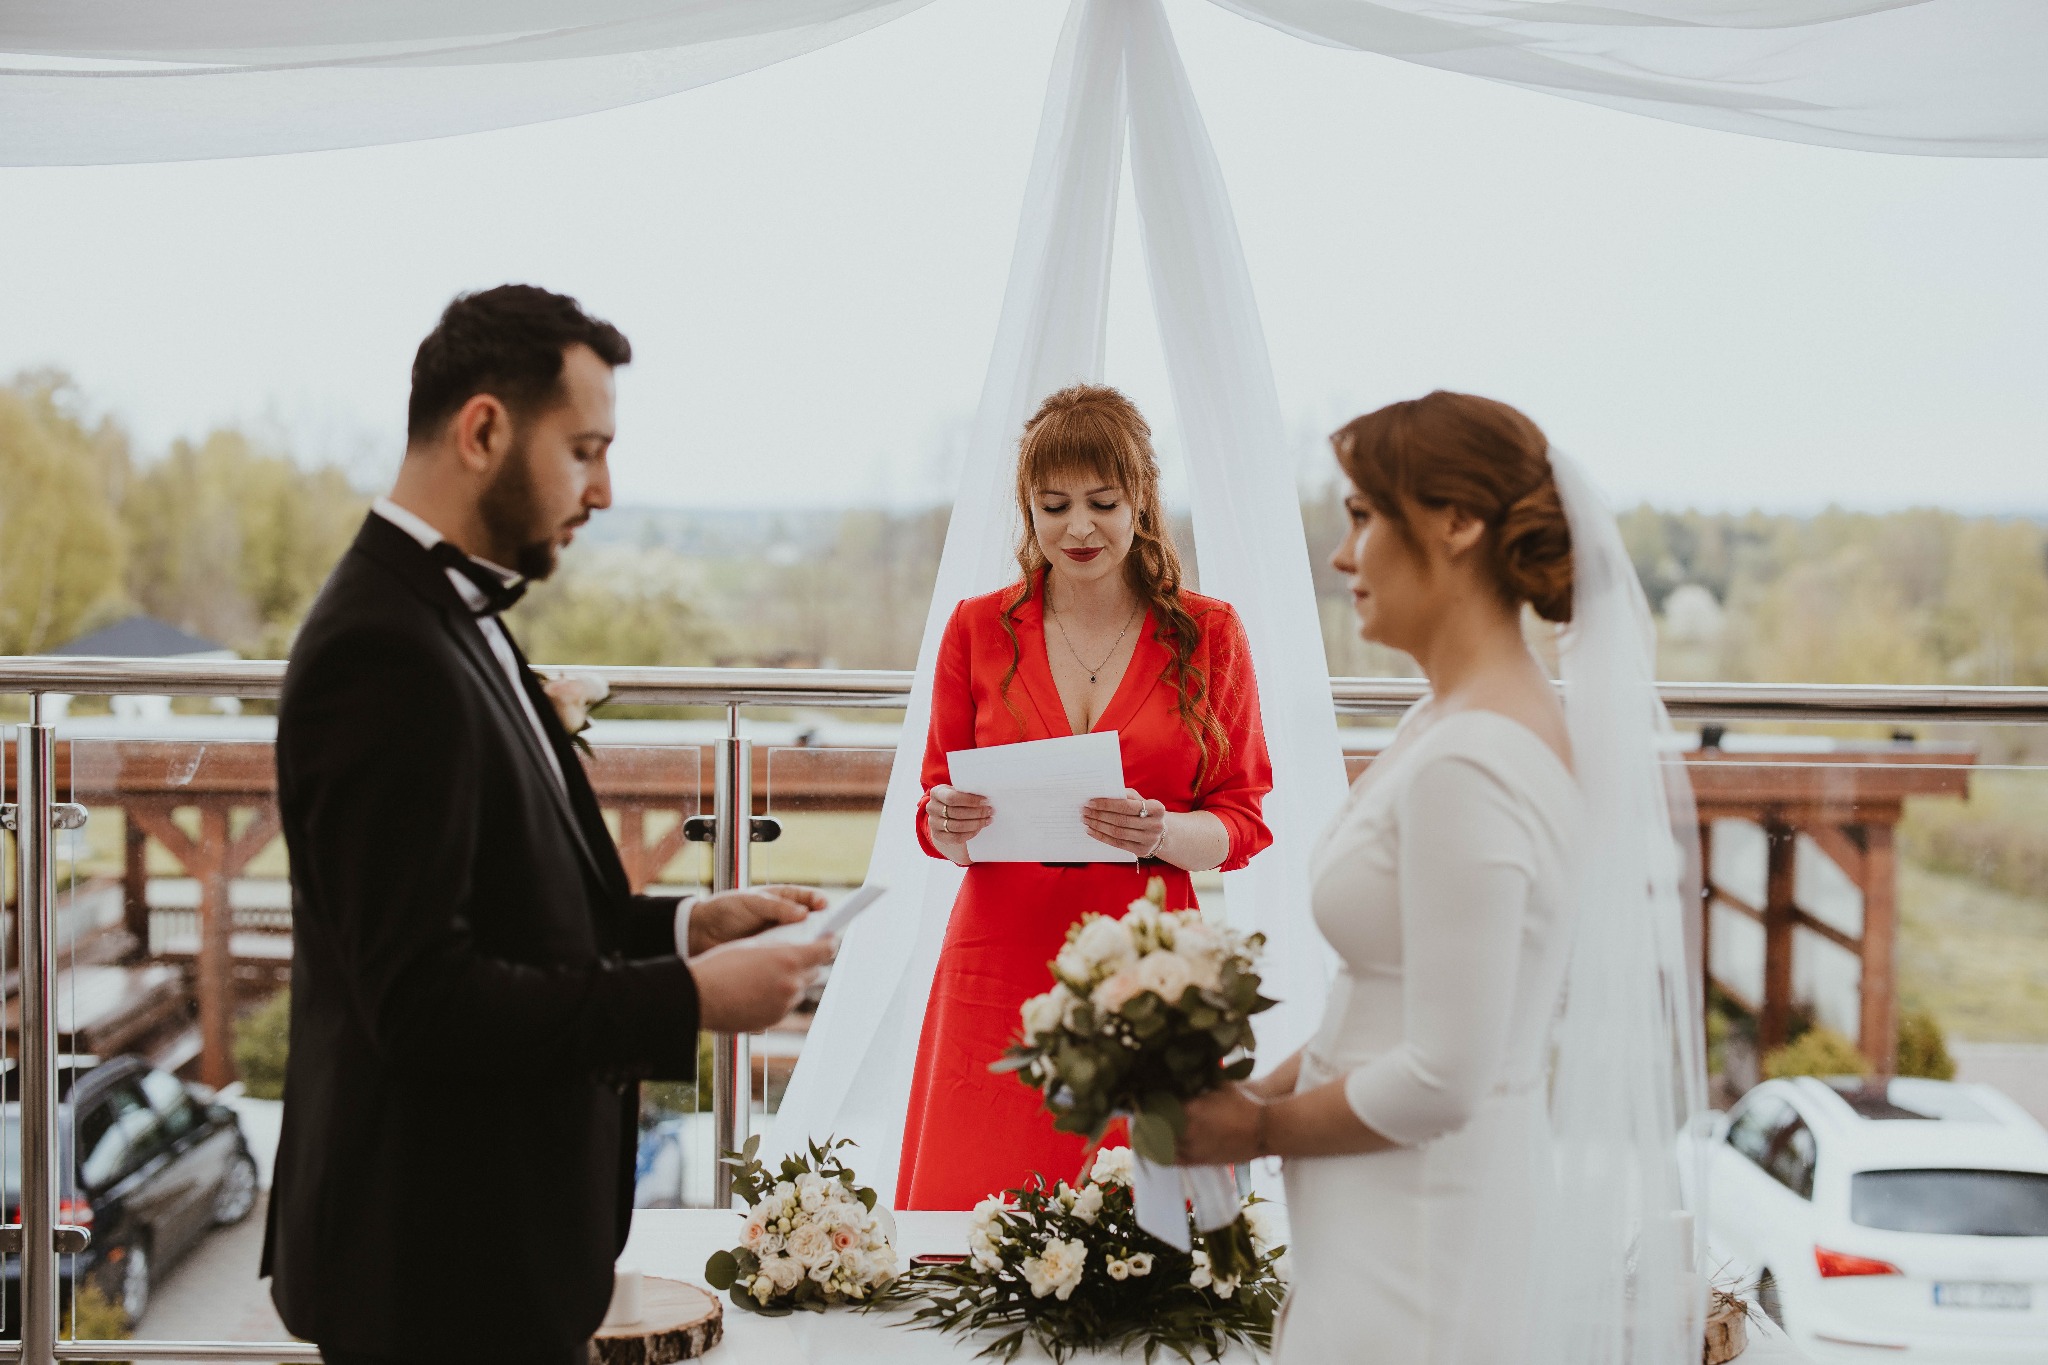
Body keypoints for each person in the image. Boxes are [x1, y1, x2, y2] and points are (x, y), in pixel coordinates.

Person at [262, 285, 837, 1365]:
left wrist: (683, 930)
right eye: (583, 450)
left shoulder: (445, 615)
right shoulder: (380, 649)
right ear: (483, 429)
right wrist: (688, 1001)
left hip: (485, 1254)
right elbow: (422, 1000)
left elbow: (504, 908)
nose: (605, 491)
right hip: (431, 1269)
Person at [1177, 391, 1704, 1364]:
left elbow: (1446, 1073)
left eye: (1362, 516)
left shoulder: (1472, 758)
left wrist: (1254, 1134)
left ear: (1456, 525)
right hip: (1384, 1220)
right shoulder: (1453, 721)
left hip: (1417, 1242)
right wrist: (1248, 1099)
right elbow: (1379, 1002)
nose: (1343, 556)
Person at [897, 383, 1274, 1210]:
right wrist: (946, 819)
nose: (1077, 528)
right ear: (1026, 508)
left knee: (1147, 1235)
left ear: (1141, 498)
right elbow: (933, 811)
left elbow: (1243, 819)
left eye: (1102, 502)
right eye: (1053, 504)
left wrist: (1163, 829)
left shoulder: (1209, 635)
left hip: (1146, 962)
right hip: (998, 957)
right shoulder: (974, 627)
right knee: (976, 1225)